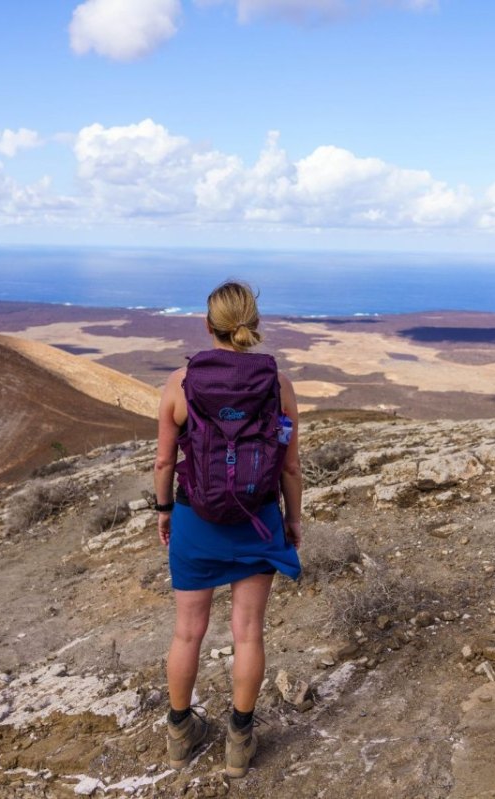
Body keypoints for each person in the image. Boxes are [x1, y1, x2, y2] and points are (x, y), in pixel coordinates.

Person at [153, 280, 303, 778]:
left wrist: (164, 511)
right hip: (258, 523)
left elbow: (163, 461)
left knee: (187, 632)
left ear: (207, 325)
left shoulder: (180, 383)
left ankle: (180, 734)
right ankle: (239, 741)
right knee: (248, 633)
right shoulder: (278, 384)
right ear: (254, 325)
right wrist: (292, 521)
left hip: (196, 521)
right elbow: (290, 468)